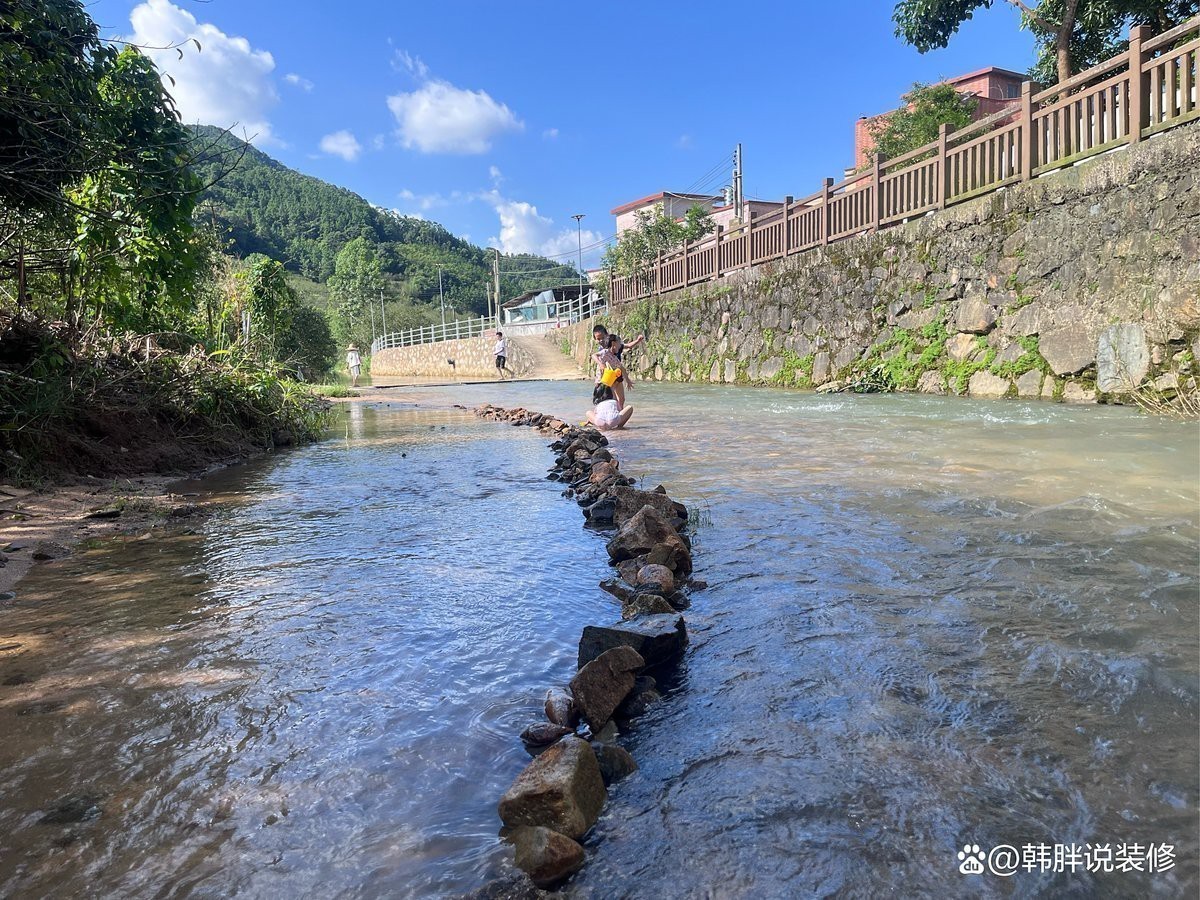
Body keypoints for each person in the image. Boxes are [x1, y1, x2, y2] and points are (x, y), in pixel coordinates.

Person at [594, 333, 632, 409]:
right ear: (613, 343)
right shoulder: (605, 352)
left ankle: (619, 415)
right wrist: (601, 364)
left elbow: (622, 368)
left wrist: (628, 381)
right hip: (602, 381)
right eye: (619, 343)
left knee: (621, 400)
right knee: (603, 401)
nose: (620, 346)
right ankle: (600, 416)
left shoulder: (614, 357)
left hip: (612, 380)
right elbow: (594, 355)